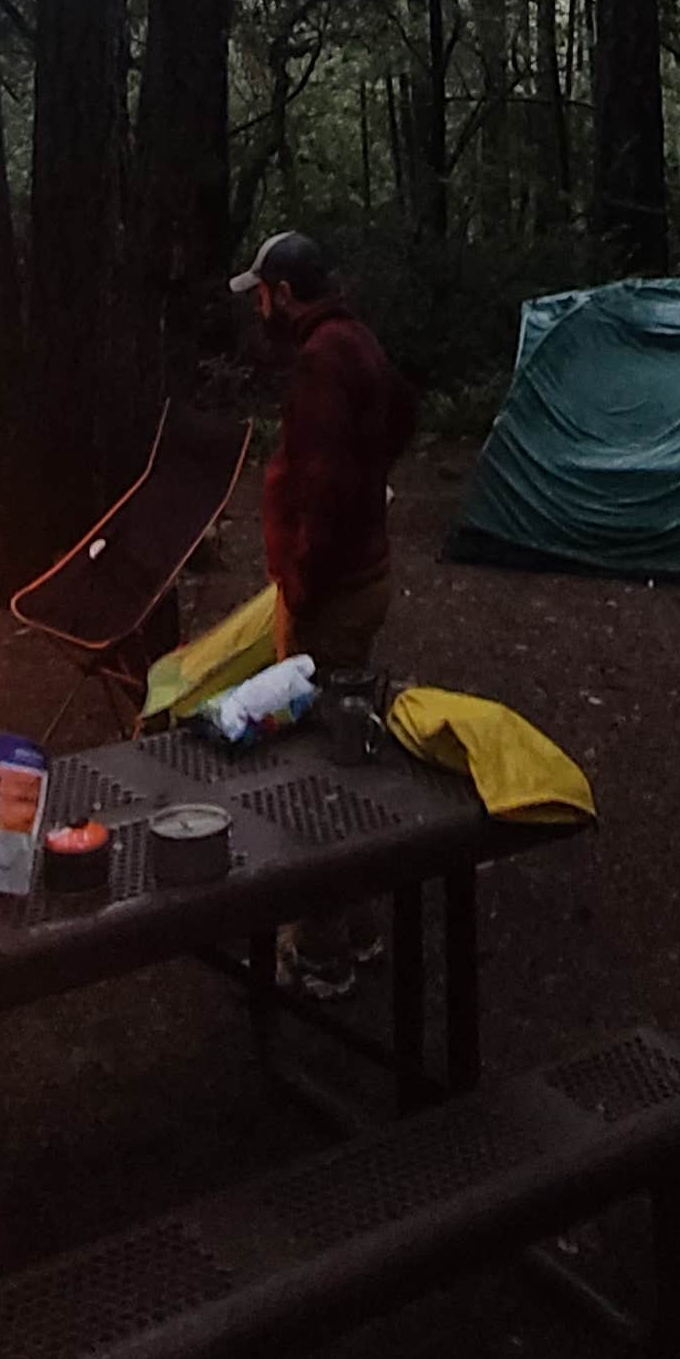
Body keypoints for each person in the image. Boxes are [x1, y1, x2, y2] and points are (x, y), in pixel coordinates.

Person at [232, 227, 417, 1000]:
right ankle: (363, 926)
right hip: (359, 579)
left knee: (309, 769)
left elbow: (323, 496)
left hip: (334, 593)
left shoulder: (318, 362)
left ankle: (319, 952)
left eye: (263, 296)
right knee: (338, 750)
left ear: (283, 295)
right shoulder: (355, 340)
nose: (259, 311)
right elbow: (403, 416)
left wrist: (295, 597)